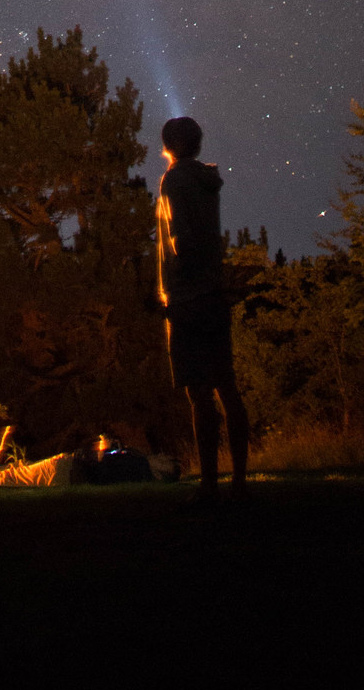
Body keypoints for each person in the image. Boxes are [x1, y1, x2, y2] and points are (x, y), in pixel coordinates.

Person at [155, 115, 250, 502]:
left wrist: (176, 275)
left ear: (168, 145)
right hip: (213, 292)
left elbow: (181, 237)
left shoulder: (175, 179)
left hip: (188, 296)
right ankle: (239, 480)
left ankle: (210, 483)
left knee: (199, 393)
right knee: (227, 386)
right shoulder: (208, 182)